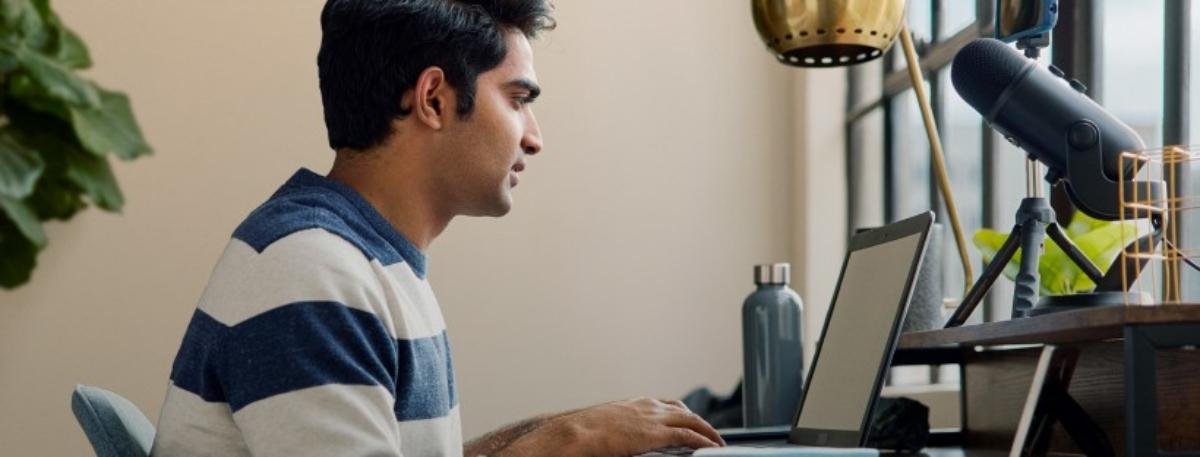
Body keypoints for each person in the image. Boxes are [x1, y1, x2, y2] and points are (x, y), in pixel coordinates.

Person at [150, 1, 726, 456]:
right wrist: (564, 445)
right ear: (433, 99)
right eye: (518, 99)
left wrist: (568, 429)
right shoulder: (307, 271)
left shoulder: (363, 261)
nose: (533, 136)